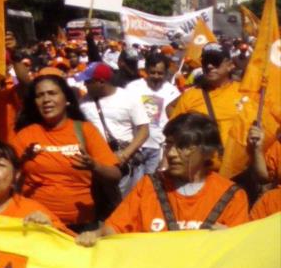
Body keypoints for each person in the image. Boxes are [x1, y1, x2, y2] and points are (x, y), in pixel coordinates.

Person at [76, 113, 249, 246]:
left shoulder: (232, 195)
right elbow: (115, 228)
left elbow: (241, 253)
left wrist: (231, 239)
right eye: (169, 144)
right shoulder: (149, 186)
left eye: (183, 147)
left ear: (208, 152)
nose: (171, 154)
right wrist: (94, 235)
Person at [10, 69, 122, 231]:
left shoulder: (85, 131)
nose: (46, 100)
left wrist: (94, 166)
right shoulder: (25, 135)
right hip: (37, 224)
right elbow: (6, 178)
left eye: (52, 93)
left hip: (81, 226)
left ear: (67, 99)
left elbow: (115, 175)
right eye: (40, 96)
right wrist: (21, 162)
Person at [77, 62, 150, 198]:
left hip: (123, 162)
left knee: (124, 202)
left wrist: (125, 154)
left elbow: (144, 130)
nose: (85, 85)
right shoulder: (82, 103)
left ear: (101, 81)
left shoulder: (129, 98)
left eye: (88, 81)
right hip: (96, 163)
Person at [169, 43, 246, 152]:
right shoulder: (190, 96)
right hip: (201, 166)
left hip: (237, 166)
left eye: (215, 61)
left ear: (230, 65)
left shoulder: (245, 93)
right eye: (205, 62)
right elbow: (174, 134)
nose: (209, 66)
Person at [125, 53, 181, 175]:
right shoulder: (133, 88)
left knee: (153, 185)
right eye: (152, 72)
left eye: (160, 73)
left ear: (166, 72)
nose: (156, 76)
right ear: (146, 70)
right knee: (135, 186)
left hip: (158, 147)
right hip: (135, 146)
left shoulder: (172, 91)